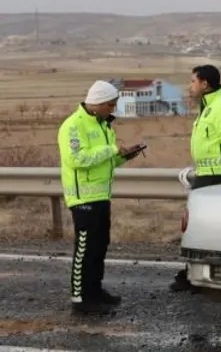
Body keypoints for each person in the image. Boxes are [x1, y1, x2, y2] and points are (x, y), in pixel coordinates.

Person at [57, 80, 143, 314]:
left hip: (101, 196)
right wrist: (112, 150)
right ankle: (81, 298)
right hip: (83, 199)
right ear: (98, 103)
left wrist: (124, 156)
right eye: (111, 105)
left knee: (99, 246)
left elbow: (105, 160)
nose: (113, 109)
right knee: (85, 249)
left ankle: (94, 290)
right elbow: (78, 159)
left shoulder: (103, 125)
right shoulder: (73, 126)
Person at [169, 64, 221, 292]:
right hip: (205, 175)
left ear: (205, 84)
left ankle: (201, 278)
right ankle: (195, 275)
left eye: (193, 81)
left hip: (217, 179)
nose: (190, 86)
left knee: (208, 231)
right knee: (199, 229)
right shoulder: (208, 106)